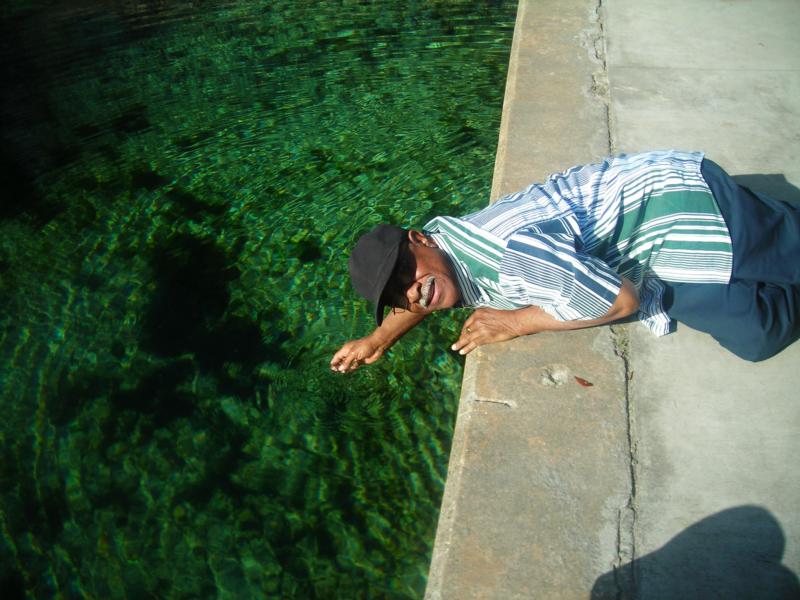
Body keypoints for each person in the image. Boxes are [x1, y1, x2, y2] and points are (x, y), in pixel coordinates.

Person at [330, 150, 800, 373]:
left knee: (771, 300)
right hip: (642, 219)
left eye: (404, 272)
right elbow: (422, 290)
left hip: (680, 203)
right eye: (398, 294)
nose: (411, 292)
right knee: (755, 331)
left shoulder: (509, 254)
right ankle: (762, 219)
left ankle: (762, 217)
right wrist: (378, 338)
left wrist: (517, 323)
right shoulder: (448, 242)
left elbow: (619, 300)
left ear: (420, 240)